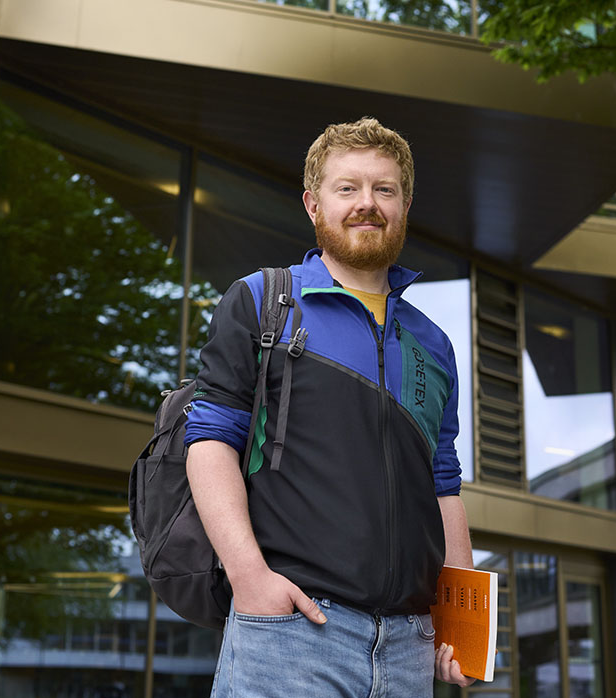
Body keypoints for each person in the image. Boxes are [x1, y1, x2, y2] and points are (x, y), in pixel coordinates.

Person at [184, 117, 475, 696]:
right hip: (291, 632)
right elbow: (210, 440)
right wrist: (250, 580)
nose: (367, 204)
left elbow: (443, 486)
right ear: (313, 204)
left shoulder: (434, 344)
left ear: (405, 204)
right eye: (347, 188)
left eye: (384, 190)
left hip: (409, 651)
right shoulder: (264, 301)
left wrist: (463, 626)